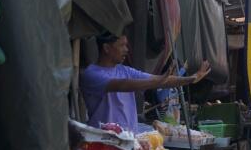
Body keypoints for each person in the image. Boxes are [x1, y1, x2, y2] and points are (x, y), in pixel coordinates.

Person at [80, 34, 211, 131]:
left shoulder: (125, 70)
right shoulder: (91, 74)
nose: (126, 49)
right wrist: (159, 80)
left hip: (128, 141)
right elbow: (122, 85)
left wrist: (191, 78)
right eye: (122, 45)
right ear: (106, 48)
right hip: (102, 140)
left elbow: (156, 79)